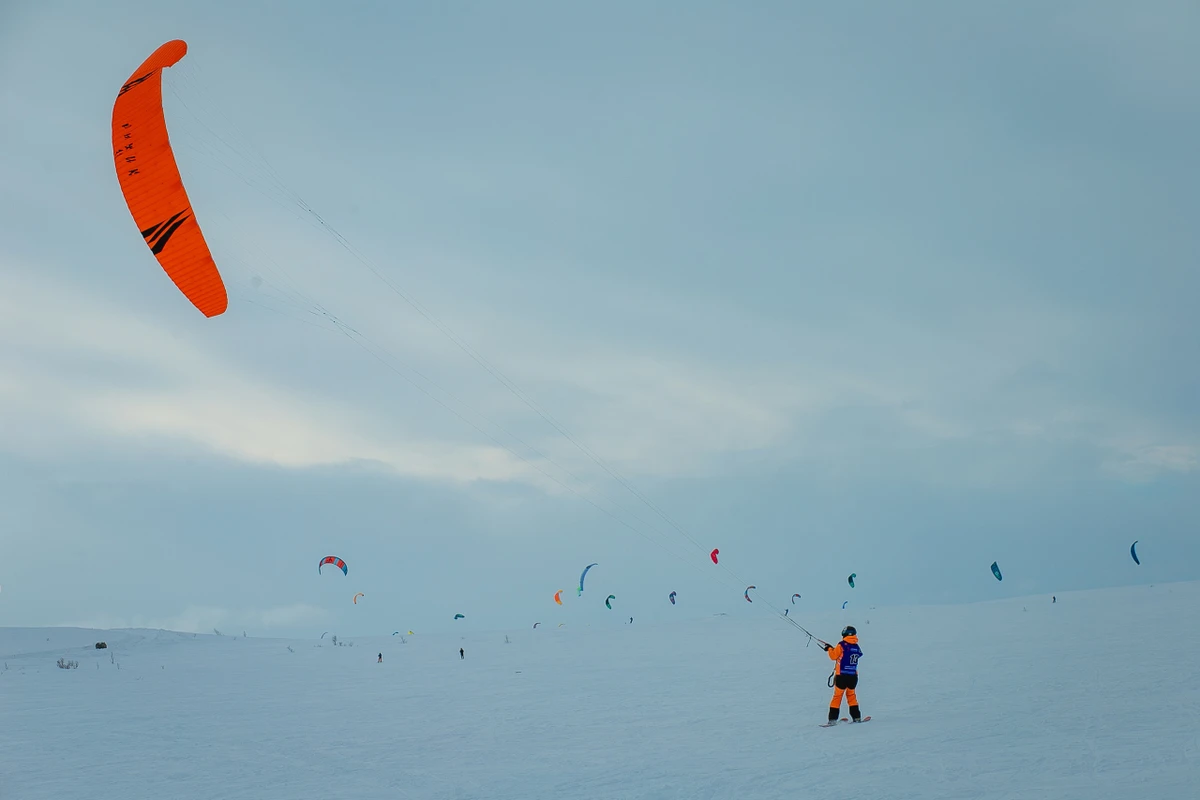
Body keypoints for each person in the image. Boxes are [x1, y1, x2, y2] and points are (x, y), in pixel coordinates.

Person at [822, 626, 864, 723]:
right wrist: (833, 649)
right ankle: (856, 717)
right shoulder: (856, 646)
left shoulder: (841, 644)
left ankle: (832, 719)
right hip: (853, 677)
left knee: (837, 697)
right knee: (851, 696)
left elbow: (833, 656)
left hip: (842, 676)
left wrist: (829, 649)